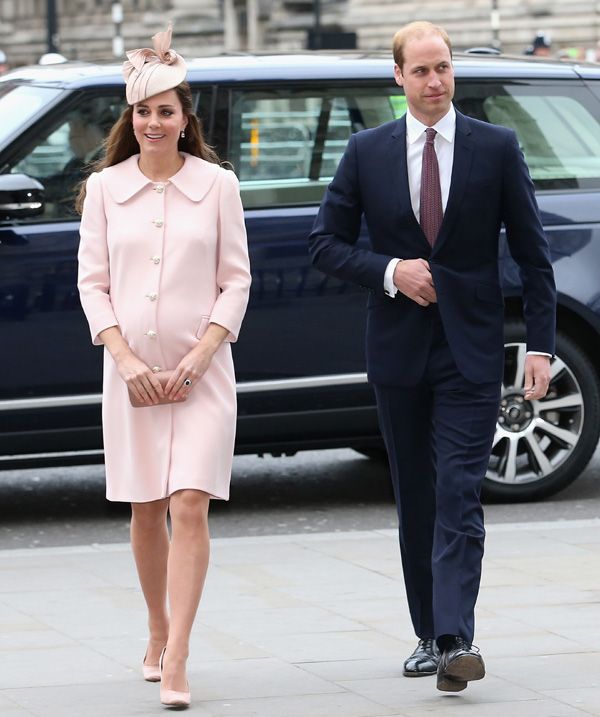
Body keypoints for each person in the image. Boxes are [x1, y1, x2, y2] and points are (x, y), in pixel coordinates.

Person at [309, 21, 556, 693]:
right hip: (397, 351)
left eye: (442, 67)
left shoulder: (496, 147)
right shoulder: (367, 152)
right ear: (398, 77)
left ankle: (457, 637)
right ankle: (429, 632)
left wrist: (540, 346)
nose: (434, 81)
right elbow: (325, 242)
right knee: (416, 494)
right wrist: (391, 270)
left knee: (458, 492)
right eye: (420, 71)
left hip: (472, 351)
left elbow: (534, 255)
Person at [77, 24, 251, 708]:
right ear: (132, 118)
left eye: (166, 111)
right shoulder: (102, 189)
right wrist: (123, 359)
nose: (154, 122)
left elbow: (235, 280)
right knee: (147, 508)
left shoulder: (218, 186)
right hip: (131, 378)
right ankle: (155, 628)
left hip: (201, 376)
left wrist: (202, 356)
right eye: (143, 111)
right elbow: (93, 284)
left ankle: (177, 654)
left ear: (186, 120)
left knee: (190, 503)